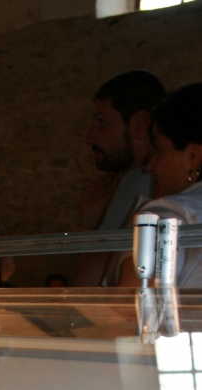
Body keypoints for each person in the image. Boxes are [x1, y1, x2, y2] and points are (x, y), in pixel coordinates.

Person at [74, 70, 165, 286]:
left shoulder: (139, 178)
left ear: (139, 125)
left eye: (102, 122)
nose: (90, 137)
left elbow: (88, 284)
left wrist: (91, 225)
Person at [118, 83, 202, 289]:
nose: (150, 167)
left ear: (193, 156)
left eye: (158, 149)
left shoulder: (166, 214)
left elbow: (136, 301)